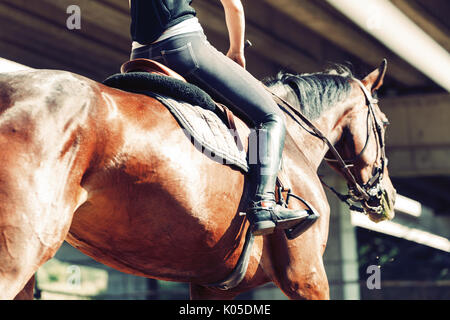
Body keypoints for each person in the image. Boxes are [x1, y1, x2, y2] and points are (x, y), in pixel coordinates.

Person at [129, 0, 306, 236]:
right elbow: (234, 6)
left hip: (139, 54)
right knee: (270, 116)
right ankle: (264, 203)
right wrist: (236, 50)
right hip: (183, 47)